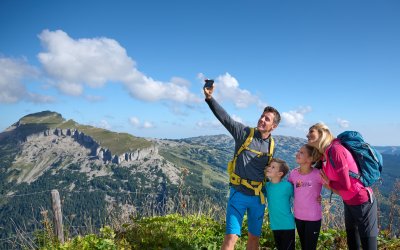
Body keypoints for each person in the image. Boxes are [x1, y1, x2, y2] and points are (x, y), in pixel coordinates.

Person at [204, 82, 281, 250]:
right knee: (231, 238)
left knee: (254, 240)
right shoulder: (244, 133)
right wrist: (209, 98)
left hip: (258, 198)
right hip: (237, 194)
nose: (262, 119)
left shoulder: (272, 145)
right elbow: (226, 119)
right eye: (262, 116)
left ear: (273, 126)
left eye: (267, 119)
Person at [307, 123, 378, 250]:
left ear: (323, 132)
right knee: (352, 241)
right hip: (348, 201)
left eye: (311, 131)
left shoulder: (336, 150)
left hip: (362, 200)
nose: (307, 135)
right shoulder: (324, 155)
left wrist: (329, 183)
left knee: (369, 244)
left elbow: (345, 185)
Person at [288, 144, 323, 250]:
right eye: (298, 151)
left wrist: (320, 197)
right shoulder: (293, 174)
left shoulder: (318, 174)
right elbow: (287, 190)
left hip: (313, 218)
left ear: (310, 159)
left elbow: (331, 185)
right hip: (298, 216)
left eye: (302, 152)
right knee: (303, 246)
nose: (297, 154)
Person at [264, 158, 295, 250]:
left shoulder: (287, 186)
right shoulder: (267, 186)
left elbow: (299, 196)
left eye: (273, 167)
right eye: (269, 166)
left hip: (288, 224)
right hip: (275, 225)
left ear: (280, 174)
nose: (269, 168)